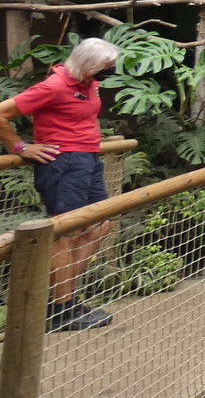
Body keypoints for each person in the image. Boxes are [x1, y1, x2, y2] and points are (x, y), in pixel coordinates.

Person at [0, 37, 122, 332]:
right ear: (89, 64)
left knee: (99, 226)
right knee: (64, 231)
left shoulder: (88, 83)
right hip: (63, 164)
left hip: (88, 161)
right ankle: (63, 309)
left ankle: (63, 301)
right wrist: (19, 147)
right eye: (106, 66)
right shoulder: (53, 86)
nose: (111, 70)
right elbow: (1, 111)